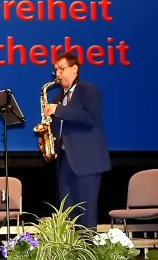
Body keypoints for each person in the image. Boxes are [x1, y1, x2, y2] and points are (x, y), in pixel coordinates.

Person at [43, 51, 111, 228]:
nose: (58, 74)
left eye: (61, 69)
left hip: (87, 161)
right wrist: (47, 135)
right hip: (65, 161)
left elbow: (91, 118)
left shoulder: (88, 90)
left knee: (86, 214)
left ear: (75, 69)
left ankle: (88, 246)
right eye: (55, 70)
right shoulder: (58, 98)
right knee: (67, 214)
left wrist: (58, 110)